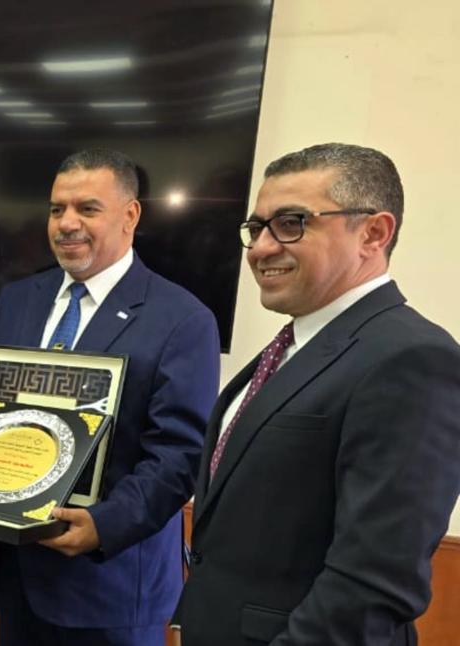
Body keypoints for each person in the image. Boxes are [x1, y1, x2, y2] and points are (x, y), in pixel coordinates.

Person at [174, 143, 460, 645]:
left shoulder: (412, 358)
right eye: (257, 228)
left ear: (373, 233)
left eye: (291, 223)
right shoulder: (294, 347)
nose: (260, 248)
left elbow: (372, 584)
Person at [0, 149, 220, 645]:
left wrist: (104, 525)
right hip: (17, 570)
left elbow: (181, 454)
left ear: (130, 215)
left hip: (109, 583)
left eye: (87, 209)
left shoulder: (183, 319)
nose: (67, 223)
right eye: (57, 209)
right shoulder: (19, 299)